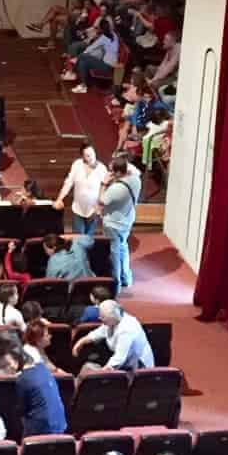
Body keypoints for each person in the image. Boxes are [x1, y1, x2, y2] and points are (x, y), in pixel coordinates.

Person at [100, 153, 141, 294]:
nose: (110, 173)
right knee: (123, 248)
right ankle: (126, 279)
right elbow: (135, 170)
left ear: (118, 172)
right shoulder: (136, 180)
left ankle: (115, 286)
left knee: (114, 254)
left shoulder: (116, 189)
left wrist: (104, 184)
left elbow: (102, 200)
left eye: (112, 171)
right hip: (127, 221)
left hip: (113, 224)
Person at [74, 299, 155, 370]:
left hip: (136, 366)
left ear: (112, 318)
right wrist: (81, 342)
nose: (99, 318)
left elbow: (118, 359)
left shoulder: (127, 329)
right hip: (122, 359)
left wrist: (100, 374)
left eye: (103, 317)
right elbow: (99, 332)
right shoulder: (114, 319)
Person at [55, 144, 108, 232]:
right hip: (78, 209)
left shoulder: (102, 169)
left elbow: (105, 189)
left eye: (92, 154)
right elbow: (69, 182)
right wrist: (60, 198)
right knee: (77, 239)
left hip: (93, 210)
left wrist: (98, 208)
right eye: (87, 155)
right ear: (83, 157)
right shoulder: (77, 164)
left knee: (88, 240)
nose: (91, 157)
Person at [17, 350, 68, 437]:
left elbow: (21, 410)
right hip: (62, 430)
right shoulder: (44, 369)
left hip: (40, 434)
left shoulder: (23, 378)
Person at [69, 17, 120, 92]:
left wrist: (80, 56)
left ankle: (72, 72)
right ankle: (83, 85)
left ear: (101, 29)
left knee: (83, 56)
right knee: (83, 63)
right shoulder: (114, 35)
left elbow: (91, 48)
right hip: (109, 64)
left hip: (107, 66)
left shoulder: (104, 38)